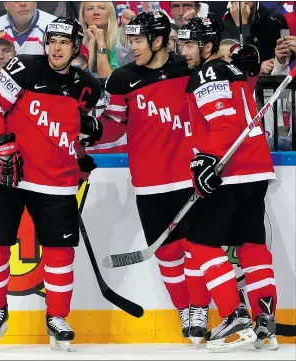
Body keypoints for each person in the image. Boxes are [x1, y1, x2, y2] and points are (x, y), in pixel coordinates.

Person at [0, 17, 102, 351]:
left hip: (56, 182)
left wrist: (81, 158)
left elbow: (77, 132)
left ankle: (57, 316)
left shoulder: (88, 85)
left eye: (64, 42)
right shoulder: (23, 67)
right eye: (52, 41)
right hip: (6, 174)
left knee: (60, 252)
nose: (57, 48)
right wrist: (1, 145)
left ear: (76, 48)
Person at [104, 11, 213, 347]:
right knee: (166, 254)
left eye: (138, 40)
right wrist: (85, 133)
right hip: (149, 182)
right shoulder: (123, 79)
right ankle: (184, 309)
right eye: (131, 40)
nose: (132, 47)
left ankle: (199, 309)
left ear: (159, 40)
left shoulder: (190, 70)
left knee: (196, 249)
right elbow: (112, 125)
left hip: (188, 176)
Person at [178, 16, 279, 350]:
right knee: (251, 244)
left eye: (189, 44)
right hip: (256, 169)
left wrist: (207, 160)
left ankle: (233, 313)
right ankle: (265, 319)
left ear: (207, 46)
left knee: (201, 244)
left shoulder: (205, 74)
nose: (184, 50)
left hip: (229, 170)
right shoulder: (232, 70)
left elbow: (223, 121)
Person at [0, 2, 56, 78]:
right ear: (6, 5)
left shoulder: (54, 25)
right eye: (16, 0)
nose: (23, 3)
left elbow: (64, 71)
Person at [79, 1, 120, 78]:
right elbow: (82, 77)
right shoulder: (78, 41)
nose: (96, 12)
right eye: (90, 9)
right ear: (83, 17)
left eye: (101, 8)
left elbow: (109, 80)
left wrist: (101, 43)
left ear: (110, 14)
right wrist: (91, 42)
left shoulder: (120, 40)